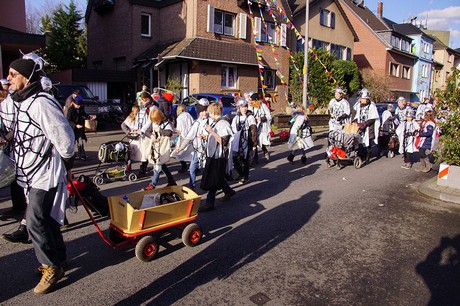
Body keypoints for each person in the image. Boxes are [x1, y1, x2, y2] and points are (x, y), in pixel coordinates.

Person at [5, 53, 75, 294]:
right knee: (46, 219)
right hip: (30, 172)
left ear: (25, 77)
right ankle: (60, 259)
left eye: (13, 74)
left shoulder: (41, 103)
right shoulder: (23, 102)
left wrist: (67, 164)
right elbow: (20, 130)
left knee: (34, 221)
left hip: (45, 173)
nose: (8, 78)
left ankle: (51, 266)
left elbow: (65, 138)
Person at [199, 102, 235, 212]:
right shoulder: (216, 122)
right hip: (213, 155)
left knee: (212, 179)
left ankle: (209, 204)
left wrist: (211, 132)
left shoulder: (223, 123)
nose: (208, 114)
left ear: (214, 112)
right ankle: (229, 191)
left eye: (209, 111)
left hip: (218, 156)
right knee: (217, 177)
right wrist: (206, 136)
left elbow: (223, 141)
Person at [174, 98, 210, 190]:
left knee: (209, 172)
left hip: (208, 152)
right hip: (197, 151)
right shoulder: (196, 123)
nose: (204, 113)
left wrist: (207, 137)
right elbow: (189, 137)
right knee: (192, 169)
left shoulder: (211, 122)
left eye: (206, 110)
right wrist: (181, 147)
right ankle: (192, 187)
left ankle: (223, 190)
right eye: (202, 111)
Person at [142, 108, 177, 190]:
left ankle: (152, 184)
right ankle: (171, 180)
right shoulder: (153, 123)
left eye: (156, 121)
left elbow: (169, 133)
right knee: (161, 164)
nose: (155, 123)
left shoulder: (167, 123)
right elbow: (147, 131)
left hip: (163, 147)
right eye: (153, 121)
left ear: (160, 118)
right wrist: (151, 136)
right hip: (156, 147)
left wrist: (160, 130)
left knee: (157, 166)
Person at [231, 98, 257, 184]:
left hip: (247, 141)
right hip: (238, 141)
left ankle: (245, 176)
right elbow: (233, 130)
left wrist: (254, 144)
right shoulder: (236, 117)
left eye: (245, 106)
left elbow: (253, 131)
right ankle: (241, 174)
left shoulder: (250, 117)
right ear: (239, 108)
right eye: (242, 107)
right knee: (235, 158)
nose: (244, 108)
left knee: (245, 159)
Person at [353, 89, 380, 165]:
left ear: (367, 99)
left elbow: (373, 118)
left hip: (368, 128)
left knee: (368, 144)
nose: (362, 100)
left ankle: (368, 157)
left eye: (363, 99)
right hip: (360, 127)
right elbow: (356, 115)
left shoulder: (372, 106)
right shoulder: (358, 105)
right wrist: (355, 121)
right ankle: (360, 156)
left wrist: (365, 124)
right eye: (361, 99)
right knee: (360, 142)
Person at [136, 91, 157, 176]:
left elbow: (150, 121)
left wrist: (142, 130)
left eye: (143, 100)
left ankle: (143, 170)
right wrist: (137, 129)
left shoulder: (154, 108)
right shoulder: (144, 109)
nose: (141, 102)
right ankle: (146, 169)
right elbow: (140, 119)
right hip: (146, 133)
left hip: (151, 133)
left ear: (147, 100)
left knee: (148, 152)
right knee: (147, 152)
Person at [248, 92, 272, 163]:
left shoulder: (263, 106)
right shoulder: (251, 106)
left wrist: (261, 118)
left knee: (260, 140)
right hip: (254, 125)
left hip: (262, 126)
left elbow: (269, 116)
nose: (252, 102)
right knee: (254, 141)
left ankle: (265, 151)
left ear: (256, 100)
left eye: (253, 100)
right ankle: (255, 158)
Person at [66, 95, 90, 160]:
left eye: (80, 105)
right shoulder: (70, 109)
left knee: (80, 142)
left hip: (80, 129)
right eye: (78, 105)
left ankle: (82, 155)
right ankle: (71, 155)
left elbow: (84, 114)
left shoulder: (81, 108)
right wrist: (76, 125)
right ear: (74, 103)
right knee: (72, 143)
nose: (79, 106)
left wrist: (89, 117)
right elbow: (68, 120)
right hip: (72, 129)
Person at [174, 104, 194, 173]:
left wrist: (176, 131)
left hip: (183, 136)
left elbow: (179, 130)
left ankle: (184, 167)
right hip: (191, 135)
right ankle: (194, 166)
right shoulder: (189, 115)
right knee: (191, 152)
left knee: (179, 152)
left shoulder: (179, 117)